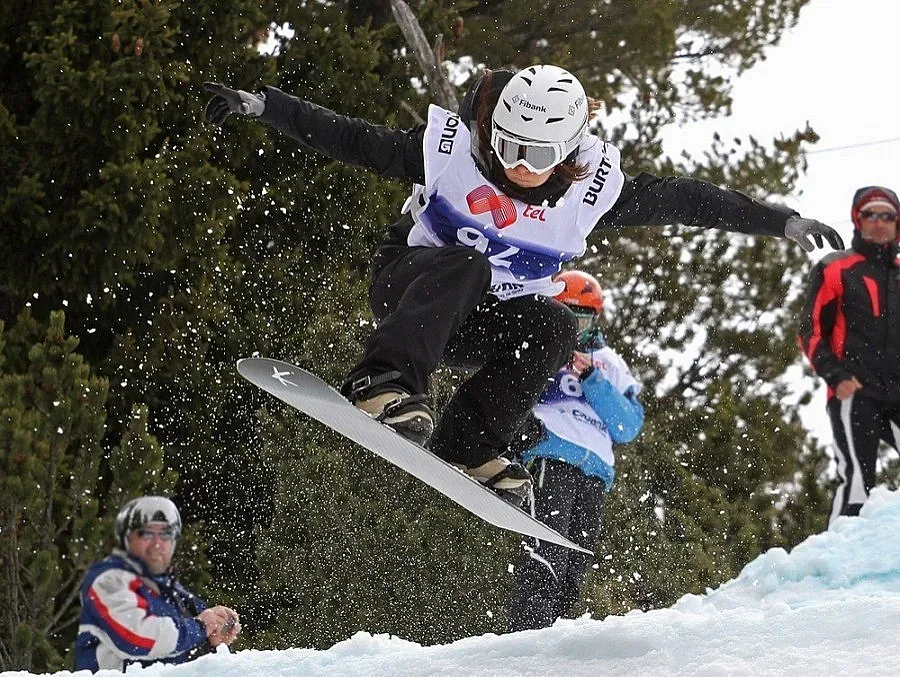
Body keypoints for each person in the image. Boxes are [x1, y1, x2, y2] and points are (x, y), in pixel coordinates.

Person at [203, 64, 843, 503]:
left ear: (567, 154)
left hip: (477, 323)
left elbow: (688, 200)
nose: (518, 168)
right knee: (468, 262)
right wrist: (266, 106)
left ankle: (470, 442)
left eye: (538, 158)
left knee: (553, 323)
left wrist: (779, 221)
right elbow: (351, 138)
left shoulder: (593, 194)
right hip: (411, 288)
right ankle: (381, 382)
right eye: (508, 147)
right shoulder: (451, 154)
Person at [505, 270, 643, 631]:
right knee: (547, 549)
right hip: (552, 452)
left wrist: (591, 380)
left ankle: (559, 640)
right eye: (567, 315)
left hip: (596, 468)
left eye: (582, 319)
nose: (574, 327)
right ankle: (527, 634)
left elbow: (628, 425)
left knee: (575, 564)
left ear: (595, 320)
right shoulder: (541, 341)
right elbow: (513, 388)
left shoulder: (610, 362)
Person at [798, 186, 900, 526]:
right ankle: (839, 567)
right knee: (859, 480)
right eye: (871, 214)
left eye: (887, 215)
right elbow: (810, 331)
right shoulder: (836, 268)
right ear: (858, 219)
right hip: (855, 391)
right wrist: (835, 376)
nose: (880, 222)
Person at [74, 496, 241, 672]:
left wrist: (212, 642)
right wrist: (201, 627)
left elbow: (186, 648)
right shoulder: (109, 580)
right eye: (146, 533)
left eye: (165, 534)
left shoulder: (171, 590)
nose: (157, 544)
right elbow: (136, 637)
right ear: (127, 539)